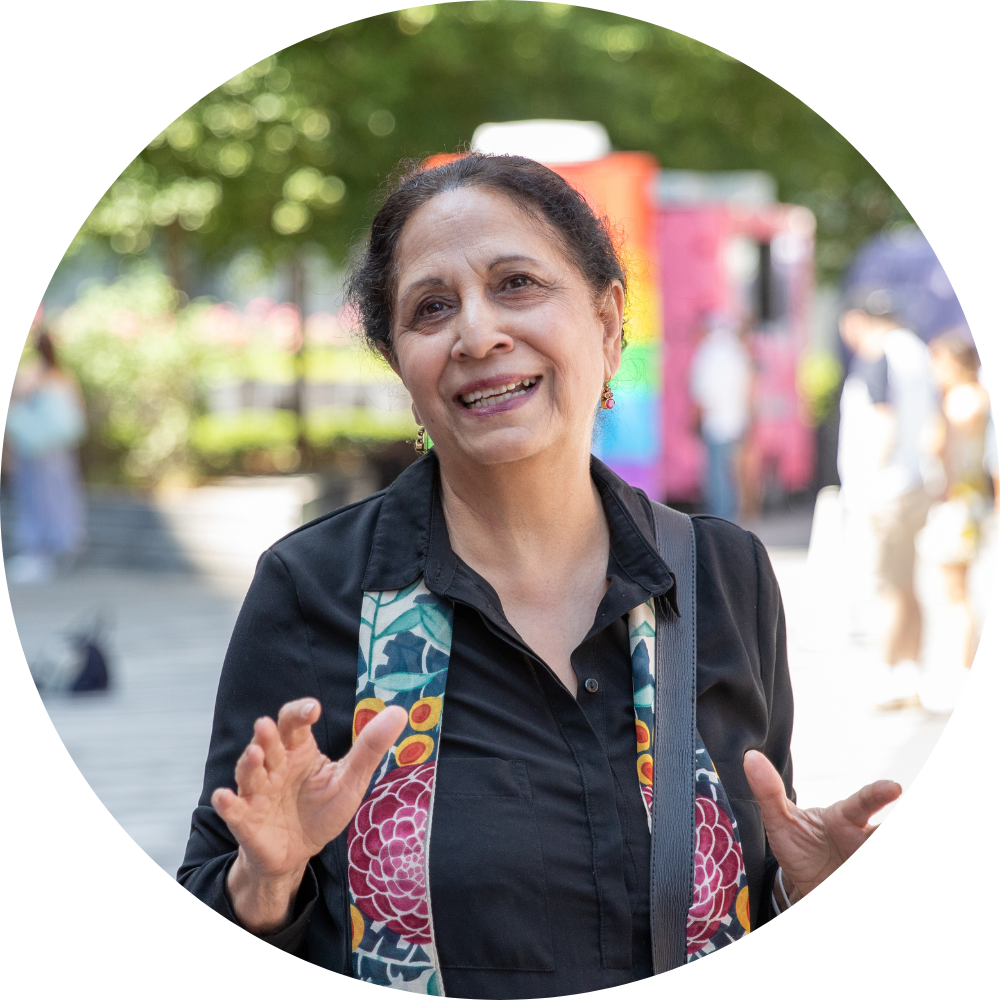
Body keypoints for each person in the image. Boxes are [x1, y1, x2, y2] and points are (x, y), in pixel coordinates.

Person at [179, 155, 899, 992]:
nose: (477, 334)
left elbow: (729, 887)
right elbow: (220, 880)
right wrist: (267, 881)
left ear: (607, 322)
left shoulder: (719, 574)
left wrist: (795, 888)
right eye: (431, 308)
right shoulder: (316, 590)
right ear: (402, 367)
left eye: (517, 283)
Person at [837, 290, 938, 709]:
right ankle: (908, 673)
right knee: (908, 583)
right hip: (915, 479)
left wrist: (867, 482)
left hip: (888, 486)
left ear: (860, 319)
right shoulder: (916, 351)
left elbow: (883, 420)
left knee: (887, 587)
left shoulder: (879, 351)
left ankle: (890, 674)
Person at [918, 333, 991, 670]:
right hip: (969, 499)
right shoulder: (975, 397)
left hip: (957, 501)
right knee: (959, 593)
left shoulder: (959, 401)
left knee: (956, 594)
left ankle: (962, 668)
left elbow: (938, 447)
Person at [4, 330, 86, 584]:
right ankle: (57, 547)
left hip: (42, 451)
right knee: (55, 497)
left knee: (42, 498)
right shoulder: (62, 376)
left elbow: (19, 397)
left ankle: (46, 551)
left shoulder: (42, 376)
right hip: (49, 450)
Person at [688, 314, 752, 522]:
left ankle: (719, 521)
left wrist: (693, 420)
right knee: (730, 473)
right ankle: (730, 519)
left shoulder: (708, 354)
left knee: (716, 476)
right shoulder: (736, 352)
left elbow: (702, 393)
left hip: (715, 422)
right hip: (736, 421)